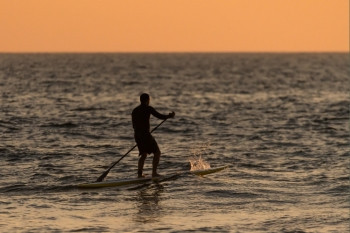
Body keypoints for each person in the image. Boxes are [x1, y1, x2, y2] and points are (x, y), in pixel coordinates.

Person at [132, 93, 175, 178]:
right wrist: (169, 116)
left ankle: (139, 175)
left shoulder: (135, 110)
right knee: (157, 152)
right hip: (145, 135)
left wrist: (140, 133)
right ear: (148, 100)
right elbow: (160, 116)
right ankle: (154, 173)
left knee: (143, 154)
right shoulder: (148, 108)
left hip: (137, 135)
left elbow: (134, 126)